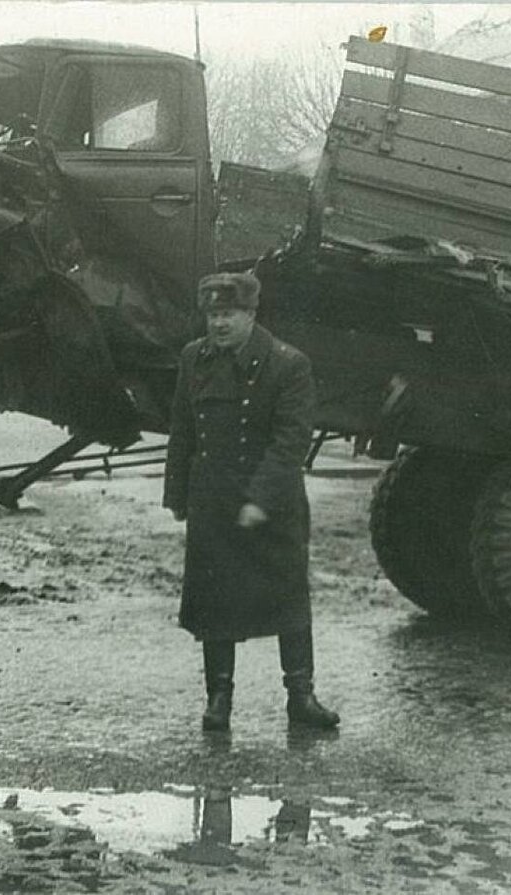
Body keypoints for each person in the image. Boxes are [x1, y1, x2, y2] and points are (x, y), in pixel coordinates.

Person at [163, 271, 339, 732]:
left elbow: (290, 441)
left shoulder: (288, 364)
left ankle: (301, 696)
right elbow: (182, 430)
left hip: (273, 503)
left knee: (288, 599)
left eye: (229, 314)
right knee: (214, 603)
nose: (219, 324)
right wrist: (177, 496)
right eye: (213, 315)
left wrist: (261, 499)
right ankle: (219, 699)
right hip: (213, 502)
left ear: (251, 315)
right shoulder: (193, 359)